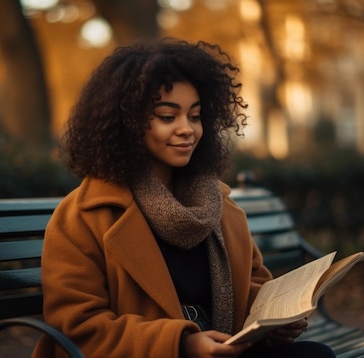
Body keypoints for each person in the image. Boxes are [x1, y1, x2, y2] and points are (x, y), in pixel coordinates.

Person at [32, 38, 335, 358]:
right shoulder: (83, 217)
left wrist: (277, 324)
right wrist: (181, 344)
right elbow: (78, 328)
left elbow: (253, 291)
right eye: (167, 116)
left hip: (223, 351)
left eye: (195, 115)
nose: (187, 129)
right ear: (128, 123)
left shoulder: (218, 205)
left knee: (315, 355)